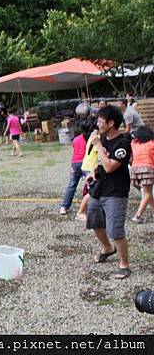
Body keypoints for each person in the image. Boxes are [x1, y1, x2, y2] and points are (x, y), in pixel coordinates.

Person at [86, 105, 132, 279]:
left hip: (116, 191)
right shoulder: (103, 138)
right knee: (94, 220)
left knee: (115, 230)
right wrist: (93, 172)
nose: (97, 124)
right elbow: (101, 163)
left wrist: (97, 144)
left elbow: (111, 166)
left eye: (100, 121)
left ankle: (124, 265)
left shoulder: (123, 143)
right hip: (100, 188)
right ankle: (107, 248)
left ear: (111, 123)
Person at [60, 123, 90, 215]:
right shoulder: (90, 139)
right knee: (90, 185)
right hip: (85, 164)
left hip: (75, 163)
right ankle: (88, 206)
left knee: (72, 185)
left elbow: (74, 149)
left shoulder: (76, 139)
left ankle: (64, 207)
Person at [130, 126, 154, 223]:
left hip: (135, 169)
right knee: (147, 192)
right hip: (147, 168)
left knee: (147, 192)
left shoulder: (134, 143)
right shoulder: (152, 143)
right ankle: (137, 215)